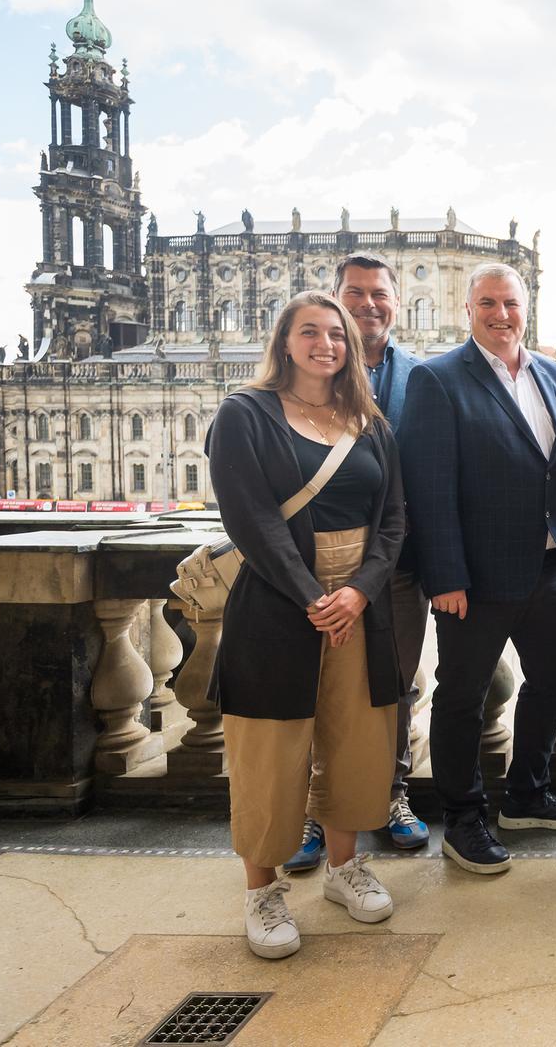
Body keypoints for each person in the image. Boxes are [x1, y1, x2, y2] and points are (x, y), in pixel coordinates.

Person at [206, 291, 406, 959]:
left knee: (358, 742)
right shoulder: (244, 414)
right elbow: (250, 517)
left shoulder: (368, 421)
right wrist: (312, 598)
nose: (327, 345)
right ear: (284, 342)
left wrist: (360, 592)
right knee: (269, 749)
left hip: (359, 604)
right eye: (310, 332)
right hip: (277, 598)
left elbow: (393, 519)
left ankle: (345, 868)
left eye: (338, 334)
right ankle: (262, 891)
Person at [399, 263, 556, 876]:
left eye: (510, 303)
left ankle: (527, 795)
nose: (500, 314)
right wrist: (445, 576)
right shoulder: (438, 378)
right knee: (462, 698)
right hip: (475, 579)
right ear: (468, 309)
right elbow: (429, 488)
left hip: (551, 565)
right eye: (488, 303)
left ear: (525, 309)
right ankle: (462, 818)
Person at [283, 253, 428, 873]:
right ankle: (313, 811)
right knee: (313, 687)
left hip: (399, 564)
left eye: (379, 294)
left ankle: (392, 794)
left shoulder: (423, 377)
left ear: (396, 302)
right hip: (316, 567)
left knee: (393, 686)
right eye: (355, 293)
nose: (369, 304)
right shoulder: (300, 380)